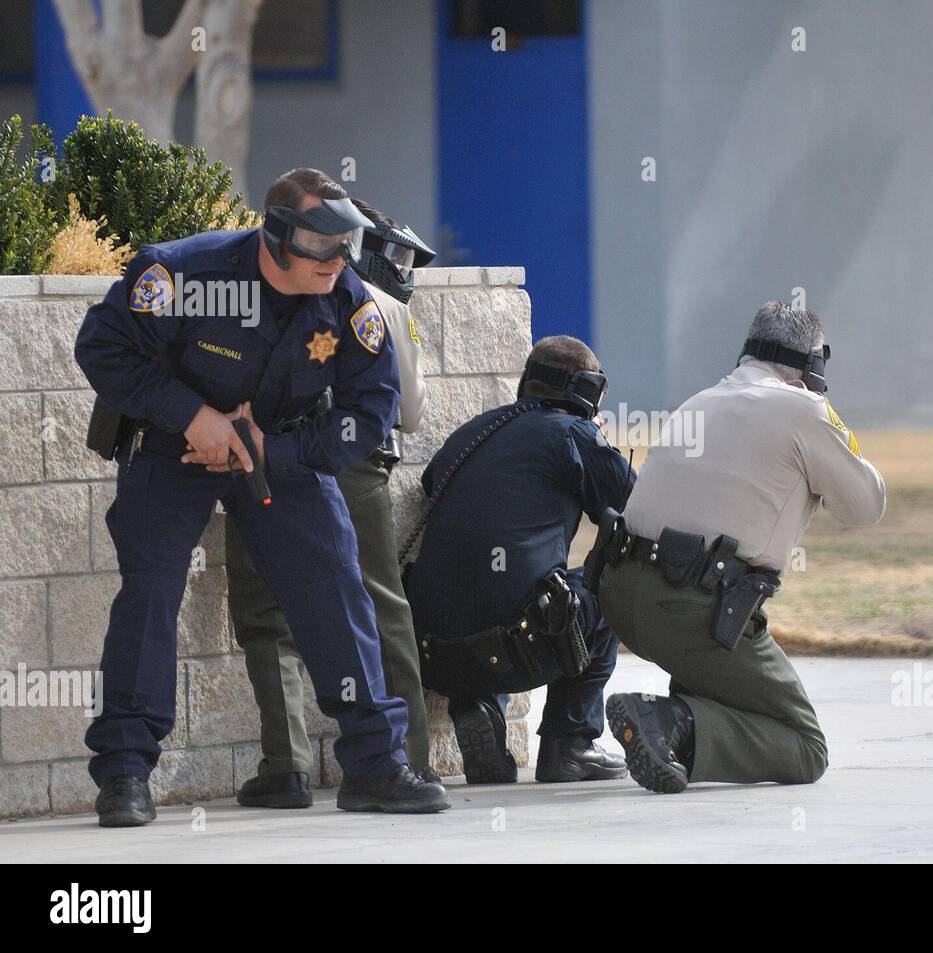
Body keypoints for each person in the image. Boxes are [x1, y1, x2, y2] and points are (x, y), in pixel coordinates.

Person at [75, 167, 448, 826]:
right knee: (153, 588)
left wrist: (271, 451)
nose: (338, 259)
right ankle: (126, 771)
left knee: (336, 584)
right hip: (174, 444)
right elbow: (103, 346)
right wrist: (194, 417)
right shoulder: (182, 274)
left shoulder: (349, 301)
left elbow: (371, 407)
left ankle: (374, 763)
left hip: (280, 450)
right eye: (321, 243)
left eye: (346, 244)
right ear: (276, 236)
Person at [594, 302, 885, 793]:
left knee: (718, 663)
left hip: (619, 597)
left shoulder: (699, 400)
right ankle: (669, 721)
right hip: (695, 612)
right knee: (805, 746)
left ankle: (675, 725)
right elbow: (866, 505)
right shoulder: (805, 409)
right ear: (812, 366)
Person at [226, 196, 439, 809]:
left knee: (266, 612)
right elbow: (410, 412)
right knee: (378, 603)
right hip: (352, 465)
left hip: (265, 461)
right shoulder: (385, 307)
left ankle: (286, 765)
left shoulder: (264, 289)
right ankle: (406, 760)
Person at [404, 336, 634, 783]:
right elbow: (632, 505)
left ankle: (479, 704)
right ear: (588, 391)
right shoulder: (571, 432)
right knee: (614, 581)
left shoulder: (471, 433)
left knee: (494, 582)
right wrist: (596, 440)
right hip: (521, 645)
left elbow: (435, 484)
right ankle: (570, 744)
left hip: (434, 650)